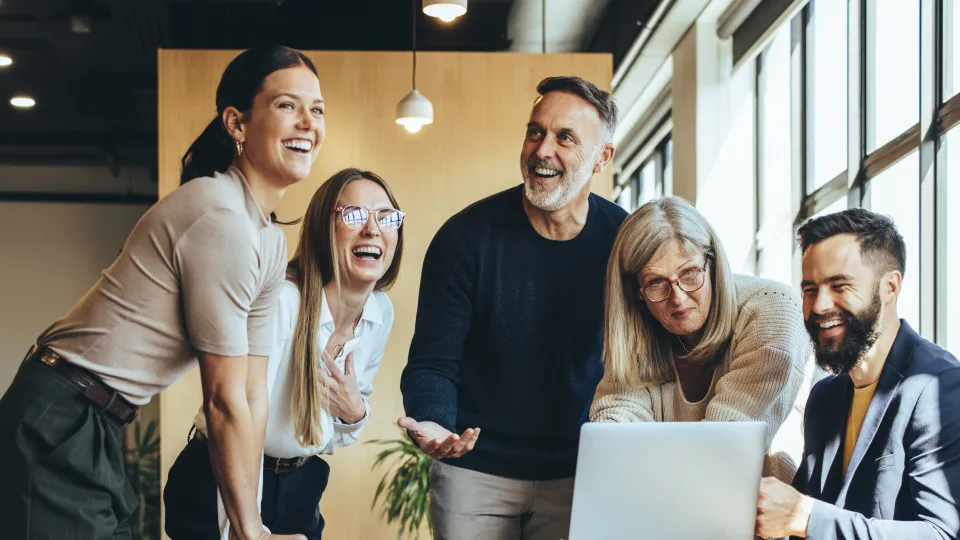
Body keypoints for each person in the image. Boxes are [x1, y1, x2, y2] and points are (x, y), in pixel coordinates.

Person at [0, 45, 324, 540]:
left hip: (96, 419)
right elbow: (220, 401)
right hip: (61, 414)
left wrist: (248, 523)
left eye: (317, 110)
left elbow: (251, 395)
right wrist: (249, 532)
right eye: (287, 105)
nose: (308, 122)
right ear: (236, 124)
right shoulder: (219, 217)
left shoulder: (268, 241)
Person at [398, 75, 627, 540]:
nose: (543, 150)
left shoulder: (625, 241)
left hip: (580, 472)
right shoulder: (464, 239)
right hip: (475, 472)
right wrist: (435, 422)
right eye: (535, 132)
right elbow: (432, 363)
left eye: (565, 138)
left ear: (603, 158)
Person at [164, 168, 404, 540]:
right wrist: (246, 531)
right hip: (222, 478)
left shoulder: (379, 313)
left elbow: (335, 431)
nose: (372, 228)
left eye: (386, 216)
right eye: (354, 215)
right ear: (324, 230)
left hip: (299, 484)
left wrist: (355, 412)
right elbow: (238, 419)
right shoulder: (284, 303)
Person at [754, 208, 960, 540]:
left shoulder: (939, 387)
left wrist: (805, 518)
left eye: (840, 286)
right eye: (809, 290)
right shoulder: (824, 397)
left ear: (889, 287)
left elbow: (942, 534)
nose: (820, 305)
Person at [590, 196, 816, 483]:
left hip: (774, 515)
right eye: (656, 282)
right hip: (679, 508)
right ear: (636, 291)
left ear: (713, 263)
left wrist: (644, 459)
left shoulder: (772, 311)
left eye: (690, 273)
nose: (678, 297)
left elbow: (723, 448)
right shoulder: (641, 327)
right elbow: (615, 431)